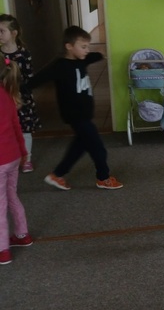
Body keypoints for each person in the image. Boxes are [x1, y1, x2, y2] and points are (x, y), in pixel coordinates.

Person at [27, 26, 123, 191]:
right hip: (76, 115)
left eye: (88, 46)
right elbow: (37, 80)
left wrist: (100, 54)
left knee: (79, 146)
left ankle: (57, 174)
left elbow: (91, 57)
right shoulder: (59, 66)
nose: (87, 50)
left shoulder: (81, 60)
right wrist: (16, 91)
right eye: (83, 46)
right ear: (69, 46)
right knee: (98, 148)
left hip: (84, 114)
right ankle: (103, 177)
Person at [0, 56, 34, 265]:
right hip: (13, 157)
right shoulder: (7, 95)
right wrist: (23, 154)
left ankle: (3, 250)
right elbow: (16, 128)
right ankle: (23, 235)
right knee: (11, 195)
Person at [0, 14, 41, 173]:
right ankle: (10, 157)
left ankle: (27, 159)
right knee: (6, 129)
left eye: (2, 31)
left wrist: (20, 95)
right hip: (4, 99)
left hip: (22, 99)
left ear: (14, 33)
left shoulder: (24, 54)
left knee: (25, 130)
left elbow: (29, 78)